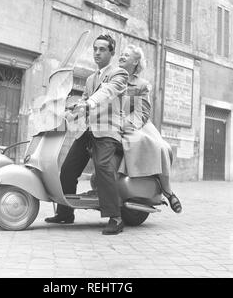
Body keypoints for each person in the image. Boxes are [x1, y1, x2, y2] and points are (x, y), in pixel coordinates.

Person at [45, 34, 129, 235]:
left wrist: (88, 103)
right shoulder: (91, 78)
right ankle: (65, 213)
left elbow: (107, 92)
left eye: (102, 49)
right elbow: (82, 100)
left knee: (102, 167)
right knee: (67, 169)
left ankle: (116, 218)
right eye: (95, 49)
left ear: (111, 52)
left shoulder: (120, 74)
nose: (97, 53)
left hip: (107, 130)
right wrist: (66, 110)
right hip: (87, 130)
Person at [118, 44, 182, 213]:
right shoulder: (112, 79)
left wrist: (125, 124)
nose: (121, 56)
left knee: (158, 147)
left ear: (136, 62)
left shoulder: (141, 85)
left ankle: (168, 191)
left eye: (126, 55)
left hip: (137, 125)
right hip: (112, 124)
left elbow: (142, 111)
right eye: (121, 54)